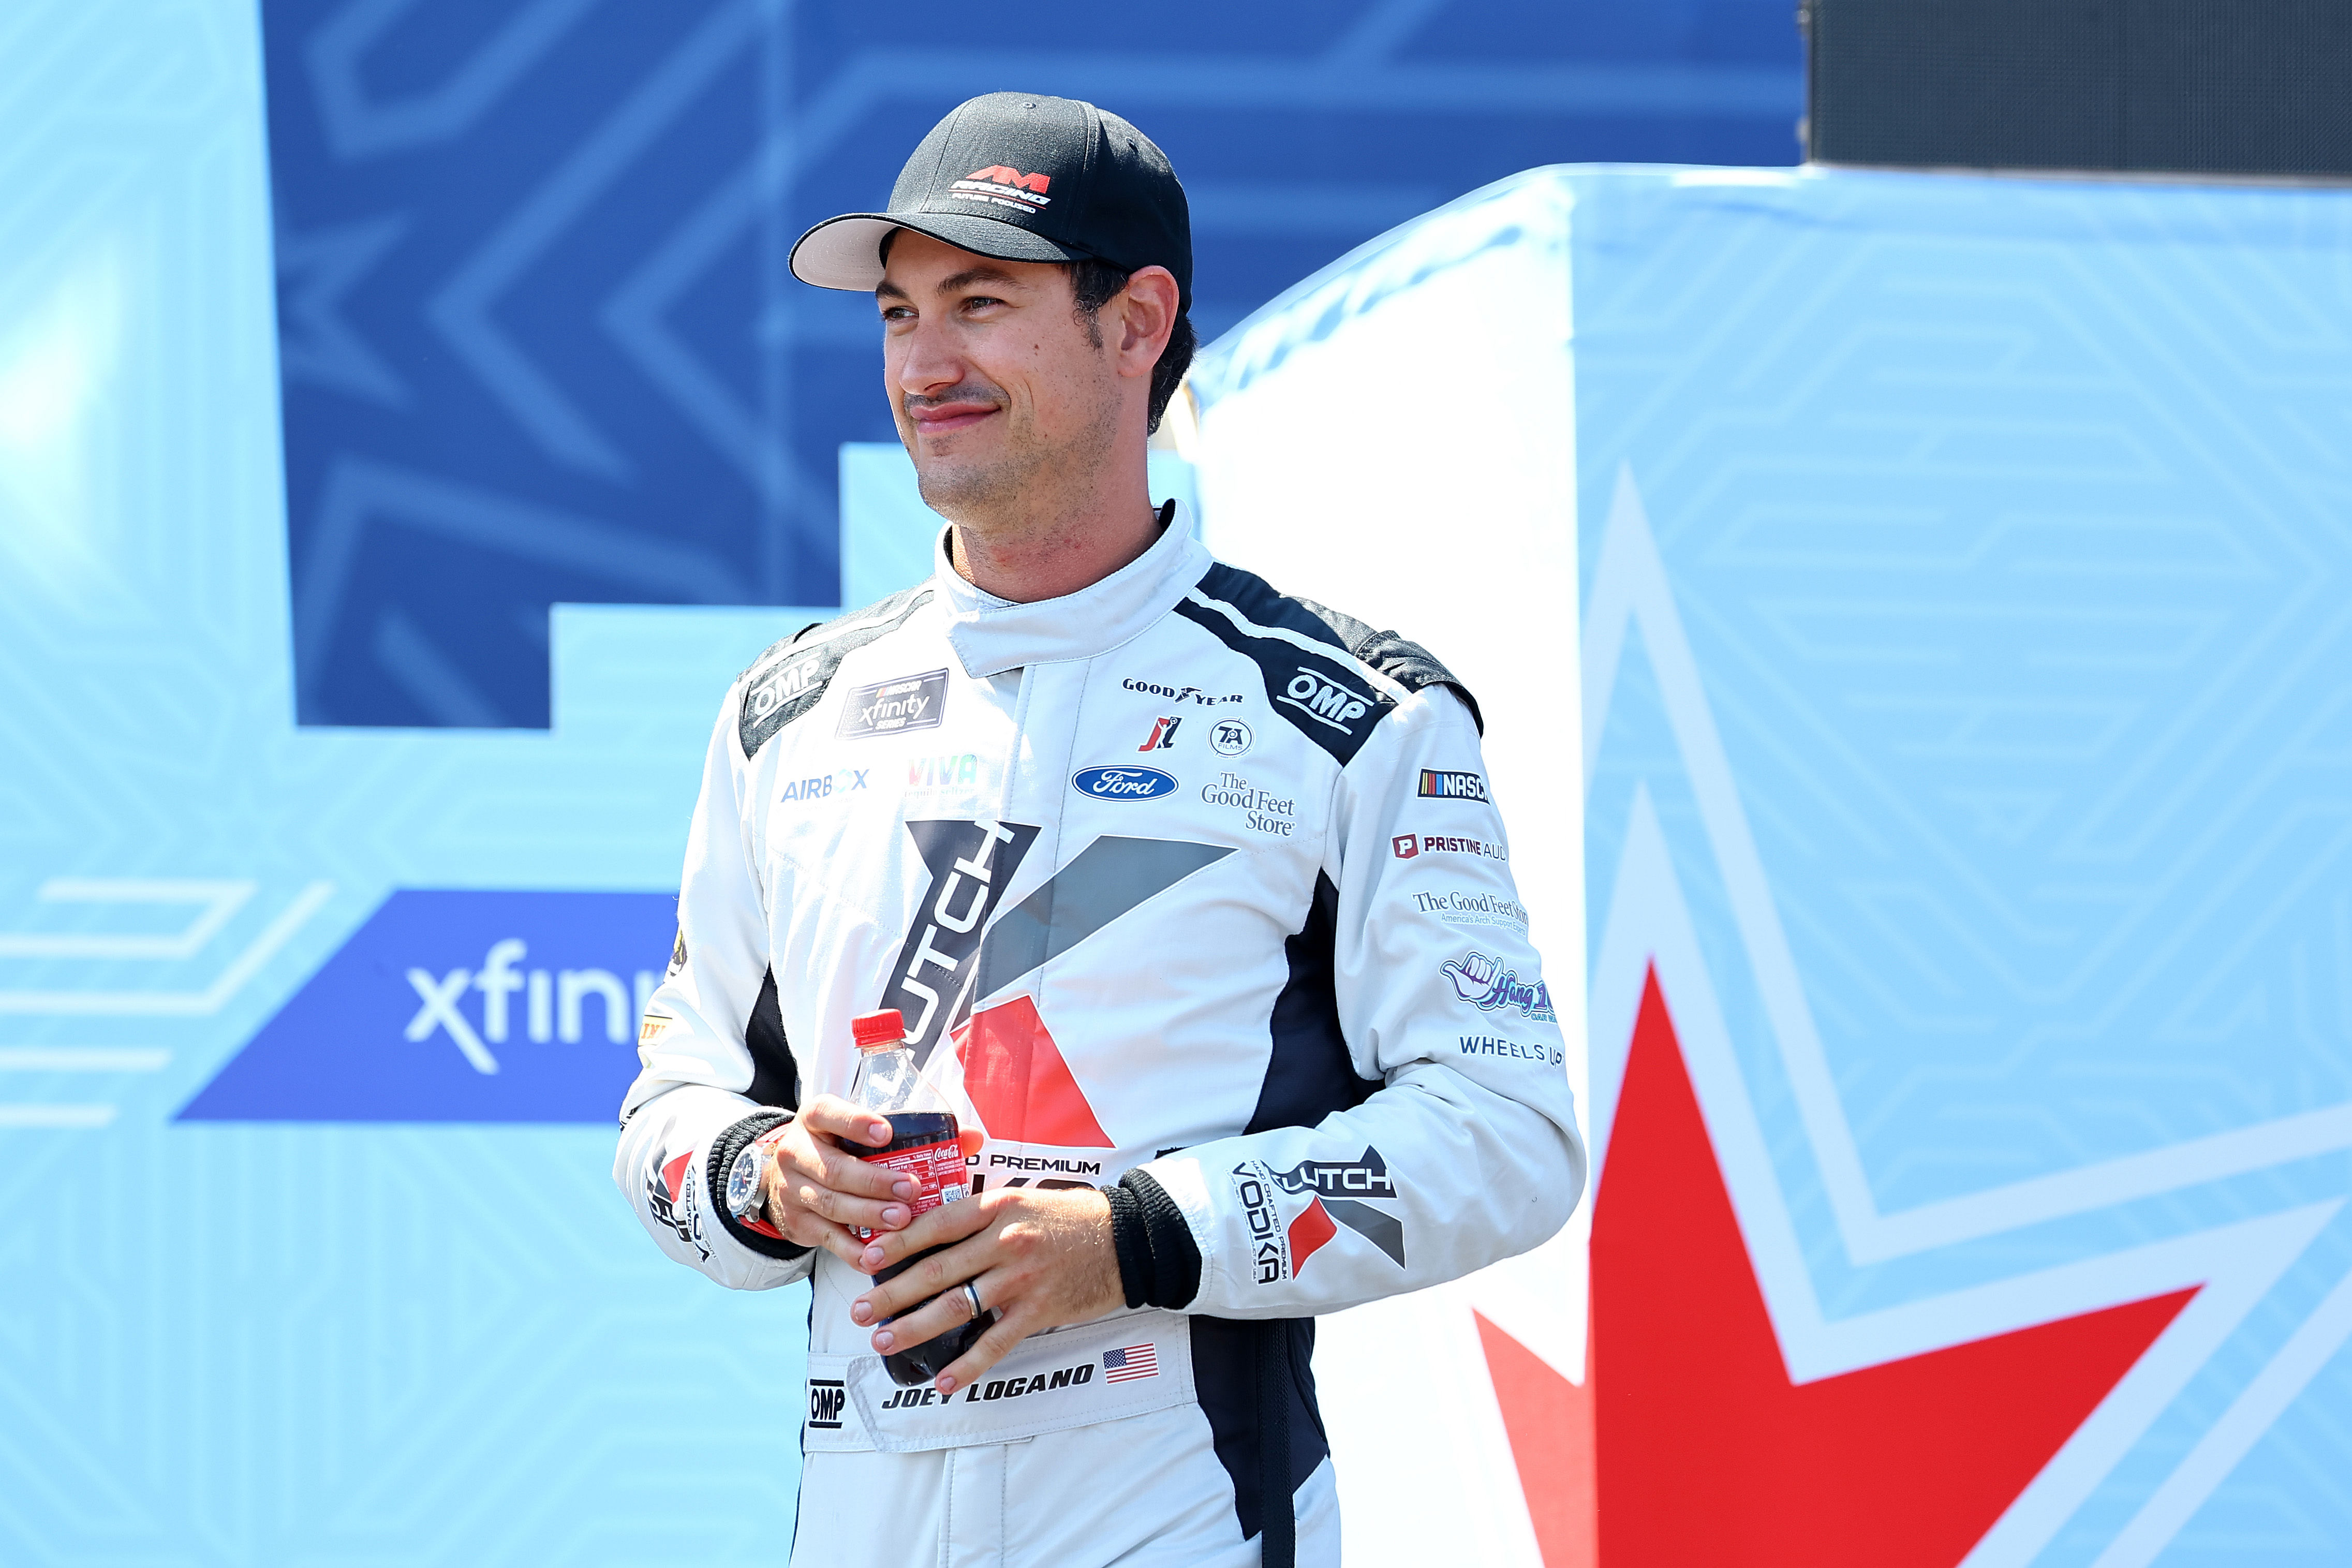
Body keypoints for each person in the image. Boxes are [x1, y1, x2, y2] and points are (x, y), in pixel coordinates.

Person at [614, 91, 1585, 1568]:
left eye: (982, 304)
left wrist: (1132, 1238)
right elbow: (669, 1109)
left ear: (1137, 324)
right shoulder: (786, 715)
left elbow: (1505, 1138)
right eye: (896, 315)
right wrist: (764, 1176)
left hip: (1186, 1522)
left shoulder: (1350, 717)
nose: (922, 365)